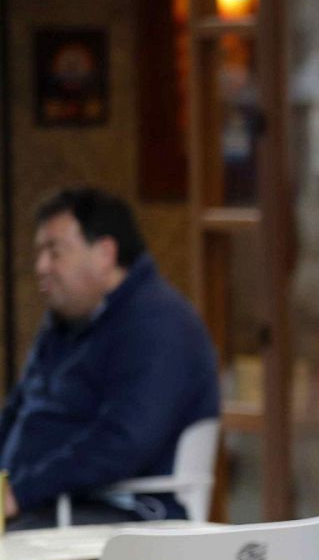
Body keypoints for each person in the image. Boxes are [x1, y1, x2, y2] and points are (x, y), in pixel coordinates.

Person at [0, 187, 219, 528]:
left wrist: (20, 492)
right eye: (39, 252)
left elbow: (121, 443)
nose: (41, 266)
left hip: (124, 512)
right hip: (44, 504)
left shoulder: (160, 325)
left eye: (55, 252)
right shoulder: (65, 320)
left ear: (104, 253)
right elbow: (18, 410)